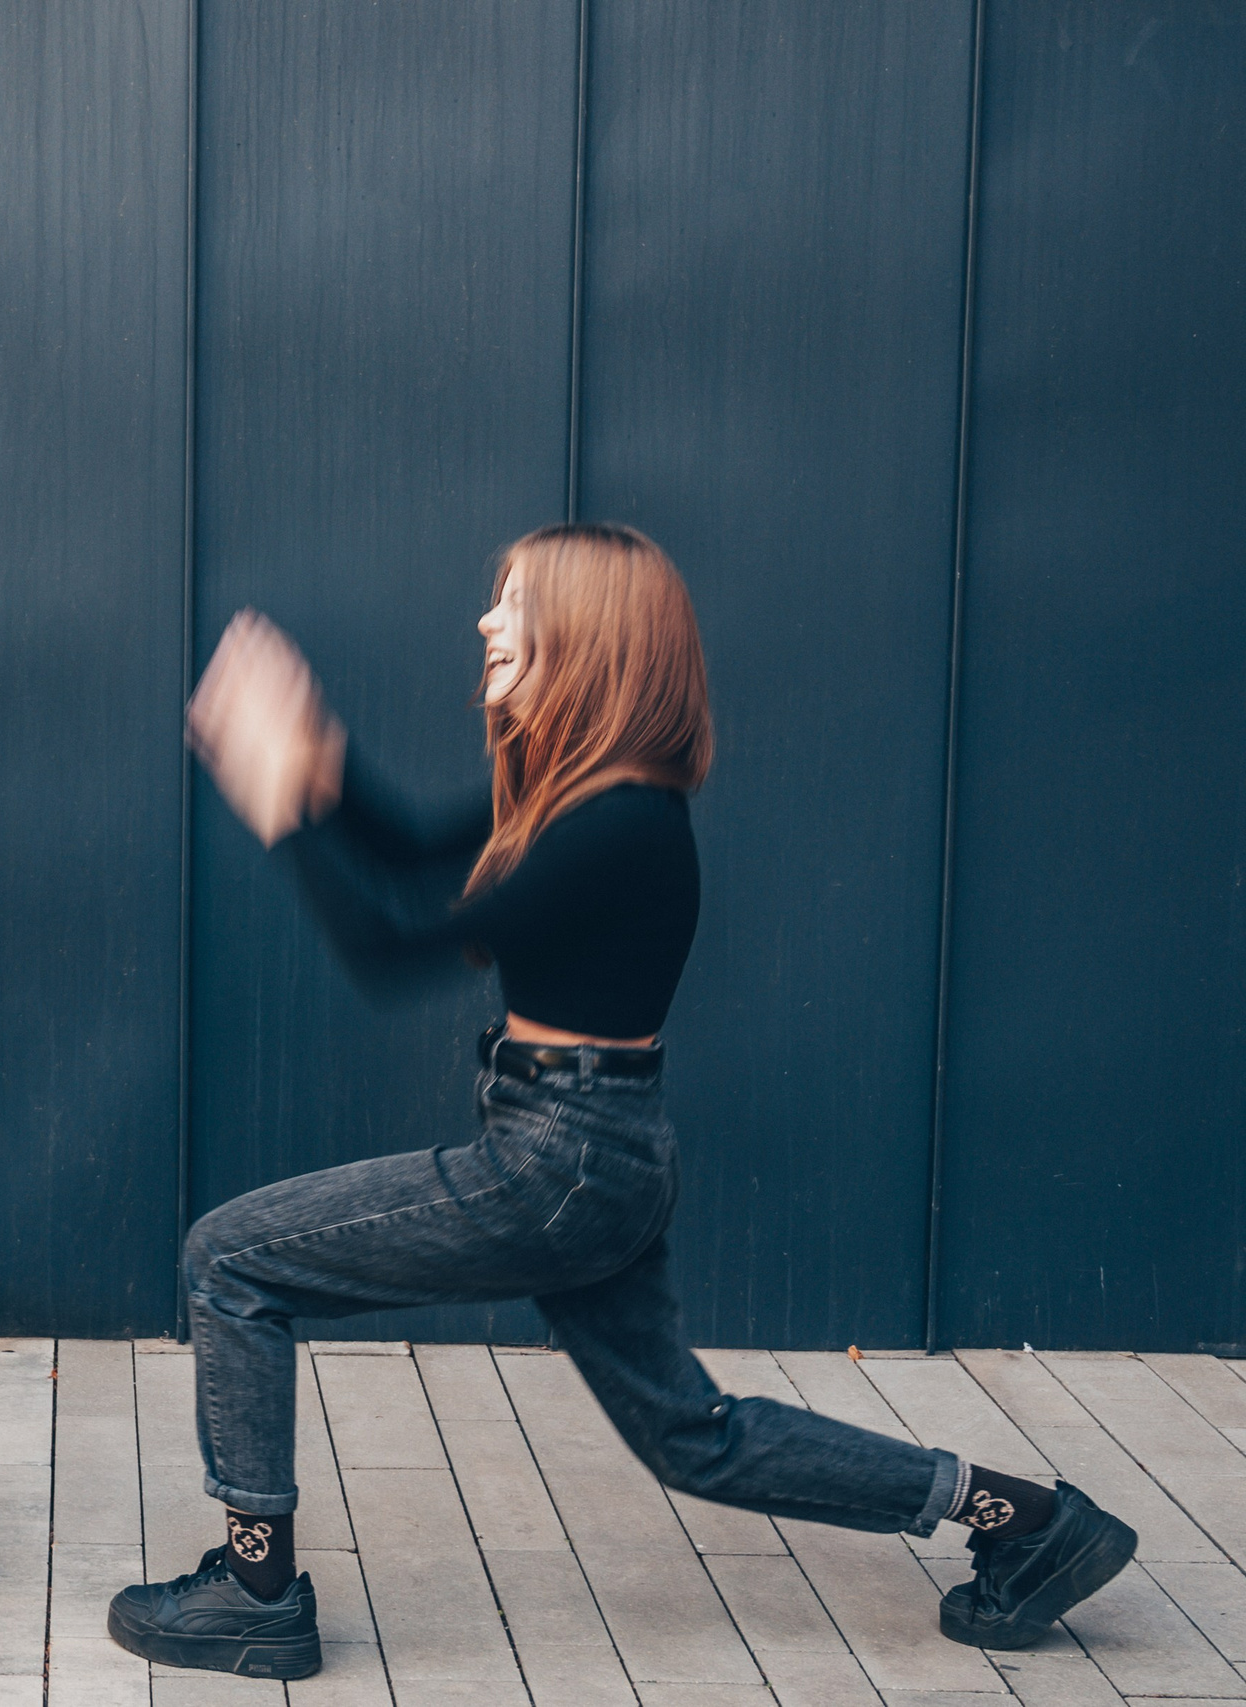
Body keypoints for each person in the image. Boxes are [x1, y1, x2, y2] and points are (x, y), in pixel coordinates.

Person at [108, 524, 1135, 1680]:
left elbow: (397, 941)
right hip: (590, 1155)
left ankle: (253, 1593)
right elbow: (405, 852)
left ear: (593, 637)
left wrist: (282, 800)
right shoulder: (578, 797)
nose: (487, 622)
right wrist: (316, 759)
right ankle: (1033, 1524)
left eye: (513, 602)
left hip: (560, 1166)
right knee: (695, 1438)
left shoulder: (624, 822)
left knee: (229, 1260)